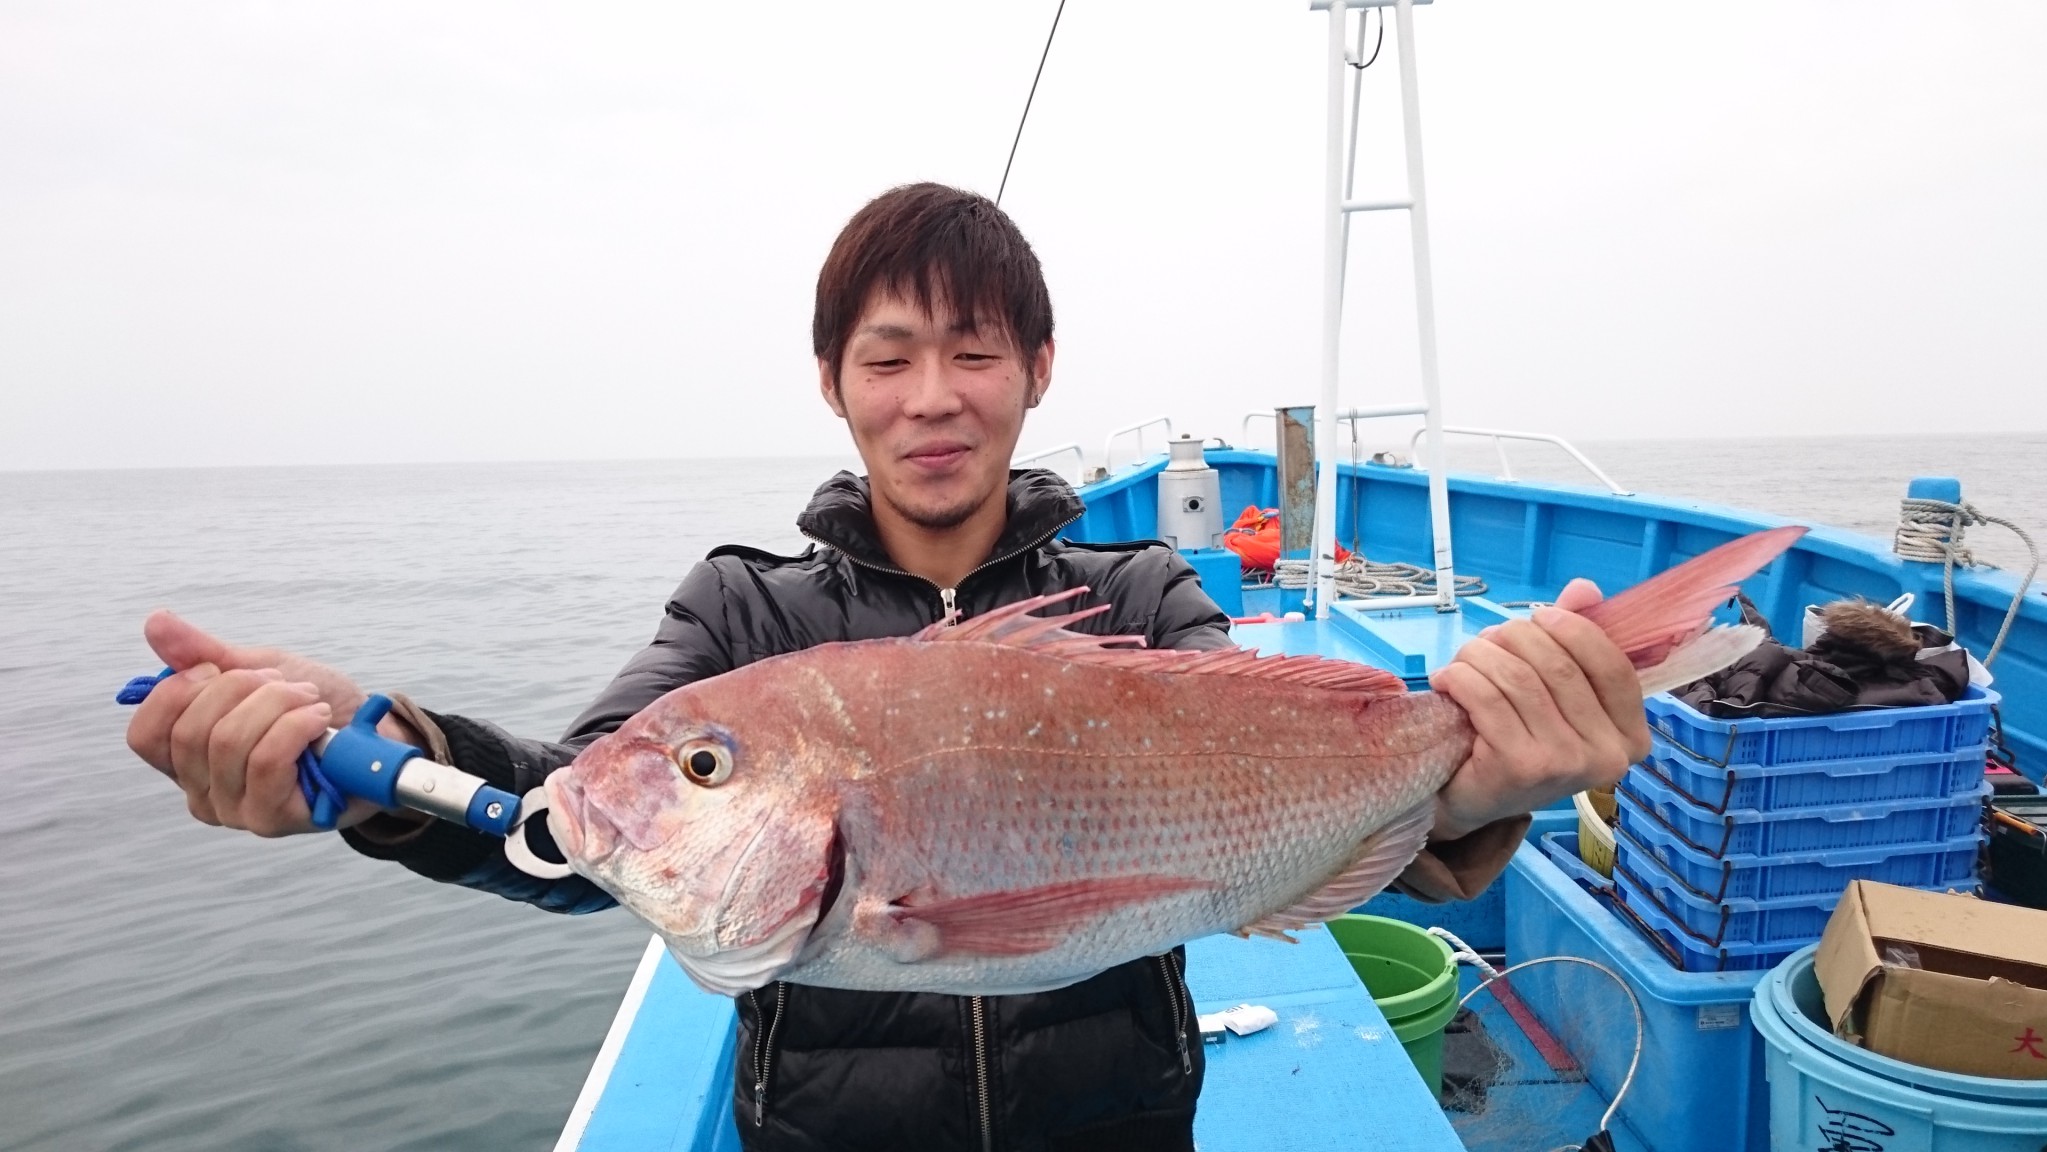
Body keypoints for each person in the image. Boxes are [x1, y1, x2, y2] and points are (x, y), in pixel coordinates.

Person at [124, 182, 1651, 1152]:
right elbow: (566, 815)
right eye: (889, 355)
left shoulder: (1136, 594)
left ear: (1037, 372)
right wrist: (379, 759)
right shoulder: (740, 615)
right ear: (833, 382)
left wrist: (1474, 782)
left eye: (975, 352)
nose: (934, 397)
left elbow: (1313, 798)